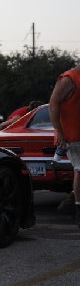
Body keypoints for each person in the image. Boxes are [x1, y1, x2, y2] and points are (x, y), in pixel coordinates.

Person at [49, 64, 80, 227]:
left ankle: (70, 202)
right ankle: (76, 208)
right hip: (73, 136)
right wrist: (59, 132)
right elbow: (53, 103)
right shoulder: (68, 79)